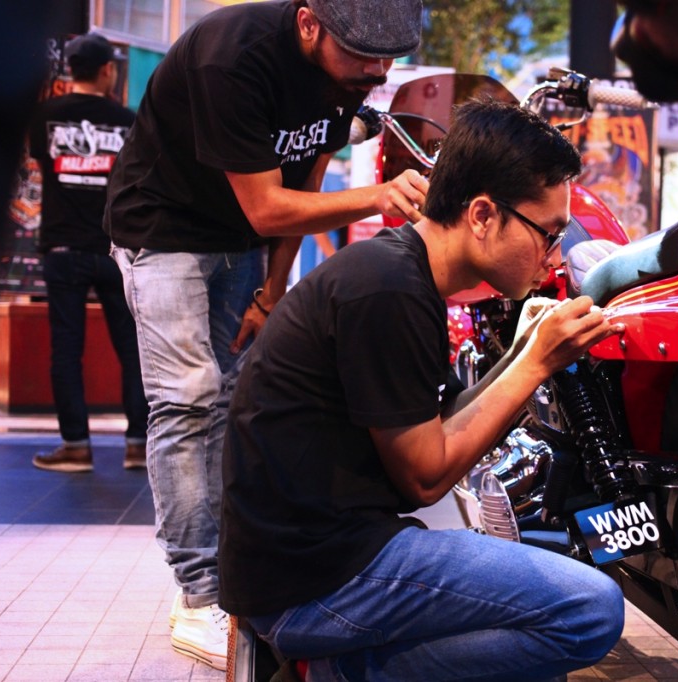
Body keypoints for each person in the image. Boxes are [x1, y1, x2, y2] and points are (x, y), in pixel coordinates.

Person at [219, 99, 627, 681]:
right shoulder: (387, 290)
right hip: (314, 580)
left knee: (537, 650)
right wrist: (534, 364)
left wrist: (518, 354)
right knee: (589, 610)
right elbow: (426, 477)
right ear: (483, 215)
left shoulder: (398, 274)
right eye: (548, 233)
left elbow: (433, 430)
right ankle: (333, 673)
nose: (553, 255)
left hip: (317, 559)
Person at [102, 0, 428, 670]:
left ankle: (227, 574)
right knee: (187, 399)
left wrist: (271, 292)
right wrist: (377, 197)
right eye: (364, 54)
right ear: (309, 24)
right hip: (160, 231)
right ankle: (198, 594)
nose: (377, 70)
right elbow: (268, 203)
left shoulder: (344, 79)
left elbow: (303, 175)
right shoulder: (235, 56)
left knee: (225, 400)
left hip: (237, 243)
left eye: (388, 56)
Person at [28, 33, 148, 473]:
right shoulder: (128, 120)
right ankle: (138, 444)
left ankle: (76, 446)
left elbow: (41, 159)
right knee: (131, 347)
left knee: (66, 348)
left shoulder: (44, 116)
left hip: (62, 247)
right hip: (116, 247)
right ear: (106, 72)